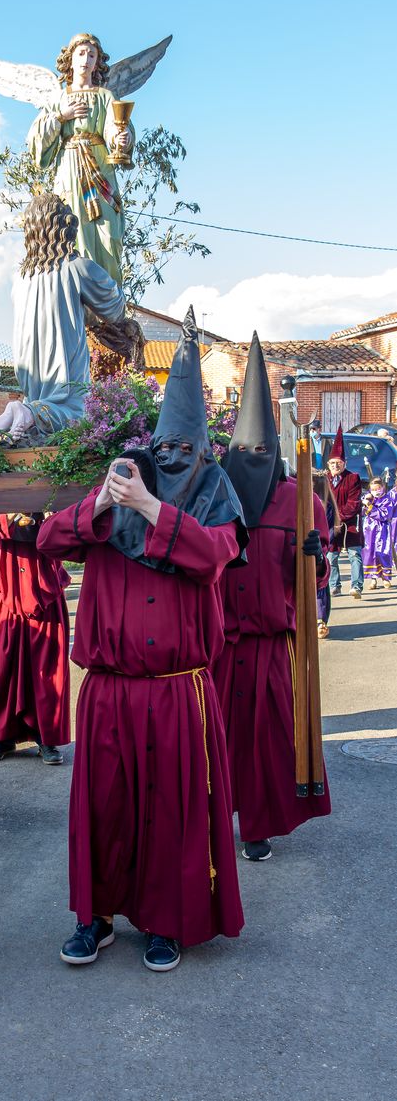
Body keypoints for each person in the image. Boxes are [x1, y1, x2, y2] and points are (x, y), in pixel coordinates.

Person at [38, 307, 248, 973]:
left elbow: (211, 556)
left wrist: (153, 509)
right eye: (164, 449)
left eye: (185, 450)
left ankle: (165, 921)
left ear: (203, 455)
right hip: (108, 689)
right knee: (103, 808)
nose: (172, 459)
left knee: (169, 810)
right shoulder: (116, 495)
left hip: (177, 692)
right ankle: (95, 917)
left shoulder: (214, 499)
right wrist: (104, 501)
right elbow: (48, 541)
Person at [214, 333, 331, 863]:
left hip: (272, 644)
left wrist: (315, 558)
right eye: (244, 452)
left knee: (266, 740)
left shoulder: (300, 501)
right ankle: (215, 820)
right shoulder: (214, 499)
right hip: (219, 645)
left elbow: (316, 581)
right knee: (217, 738)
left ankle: (257, 825)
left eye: (262, 451)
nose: (253, 459)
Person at [0, 192, 125, 438]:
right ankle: (26, 411)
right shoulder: (78, 267)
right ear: (65, 226)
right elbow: (115, 310)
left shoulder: (20, 278)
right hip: (63, 359)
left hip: (30, 369)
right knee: (74, 411)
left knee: (41, 416)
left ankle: (15, 414)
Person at [27, 32, 134, 285]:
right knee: (73, 232)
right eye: (81, 54)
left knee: (109, 234)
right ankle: (78, 298)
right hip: (70, 171)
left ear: (97, 62)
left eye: (92, 55)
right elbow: (35, 141)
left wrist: (121, 138)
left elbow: (115, 127)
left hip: (100, 171)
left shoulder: (105, 96)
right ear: (71, 59)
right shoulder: (58, 98)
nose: (86, 59)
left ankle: (109, 301)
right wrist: (60, 116)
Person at [0, 512, 71, 765]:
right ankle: (4, 735)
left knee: (46, 669)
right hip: (7, 591)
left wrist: (52, 518)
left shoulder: (53, 488)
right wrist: (10, 513)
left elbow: (69, 534)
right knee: (2, 666)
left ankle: (46, 736)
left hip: (44, 589)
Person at [325, 426, 364, 599]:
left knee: (354, 554)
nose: (335, 465)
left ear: (344, 464)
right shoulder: (323, 479)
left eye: (339, 463)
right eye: (332, 463)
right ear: (328, 464)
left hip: (350, 523)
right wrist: (330, 521)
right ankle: (335, 585)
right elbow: (321, 502)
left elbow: (353, 503)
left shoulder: (353, 478)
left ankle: (356, 586)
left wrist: (338, 519)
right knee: (331, 555)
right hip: (330, 524)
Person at [313, 473, 341, 638]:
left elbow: (328, 532)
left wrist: (320, 548)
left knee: (320, 586)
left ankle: (320, 620)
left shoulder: (326, 506)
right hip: (308, 548)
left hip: (318, 550)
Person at [361, 476, 397, 589]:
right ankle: (373, 579)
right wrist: (365, 503)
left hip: (382, 530)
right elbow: (361, 512)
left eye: (378, 489)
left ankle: (386, 578)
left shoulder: (387, 500)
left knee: (383, 552)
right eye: (373, 489)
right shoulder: (368, 498)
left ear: (383, 488)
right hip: (369, 529)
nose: (376, 491)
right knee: (370, 553)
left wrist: (370, 507)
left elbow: (384, 515)